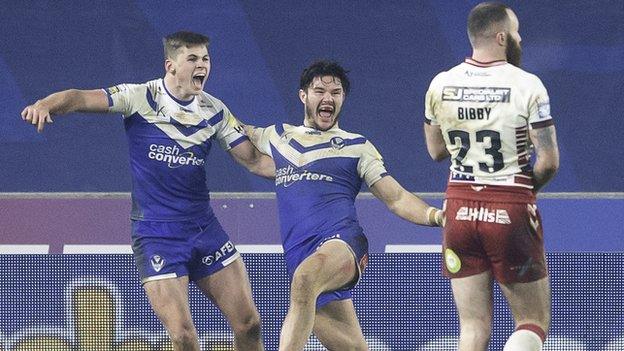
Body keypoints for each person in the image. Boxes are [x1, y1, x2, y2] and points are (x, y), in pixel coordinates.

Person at [21, 31, 274, 351]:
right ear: (171, 65)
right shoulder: (140, 97)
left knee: (250, 324)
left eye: (206, 59)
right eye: (193, 59)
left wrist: (302, 172)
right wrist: (46, 104)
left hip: (204, 228)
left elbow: (255, 162)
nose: (202, 66)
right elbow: (78, 98)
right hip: (157, 234)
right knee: (183, 336)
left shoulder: (215, 111)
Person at [245, 60, 443, 351]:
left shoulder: (357, 146)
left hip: (343, 243)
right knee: (350, 346)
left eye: (335, 92)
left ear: (342, 99)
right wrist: (206, 111)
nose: (328, 98)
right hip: (300, 253)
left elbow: (397, 198)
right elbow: (240, 142)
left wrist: (437, 216)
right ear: (304, 96)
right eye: (319, 91)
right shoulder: (278, 137)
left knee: (305, 279)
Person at [423, 3, 560, 351]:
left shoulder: (440, 83)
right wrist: (523, 194)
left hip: (458, 208)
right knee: (532, 321)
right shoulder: (528, 85)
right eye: (515, 33)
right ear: (501, 37)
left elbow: (436, 151)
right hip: (509, 204)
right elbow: (548, 162)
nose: (519, 38)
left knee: (471, 328)